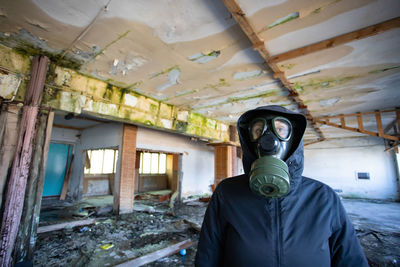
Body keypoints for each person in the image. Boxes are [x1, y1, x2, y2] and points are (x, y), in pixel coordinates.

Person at [195, 105, 368, 267]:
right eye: (258, 131)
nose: (268, 140)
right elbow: (207, 255)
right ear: (249, 142)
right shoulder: (228, 192)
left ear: (294, 140)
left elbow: (350, 259)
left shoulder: (323, 197)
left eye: (280, 130)